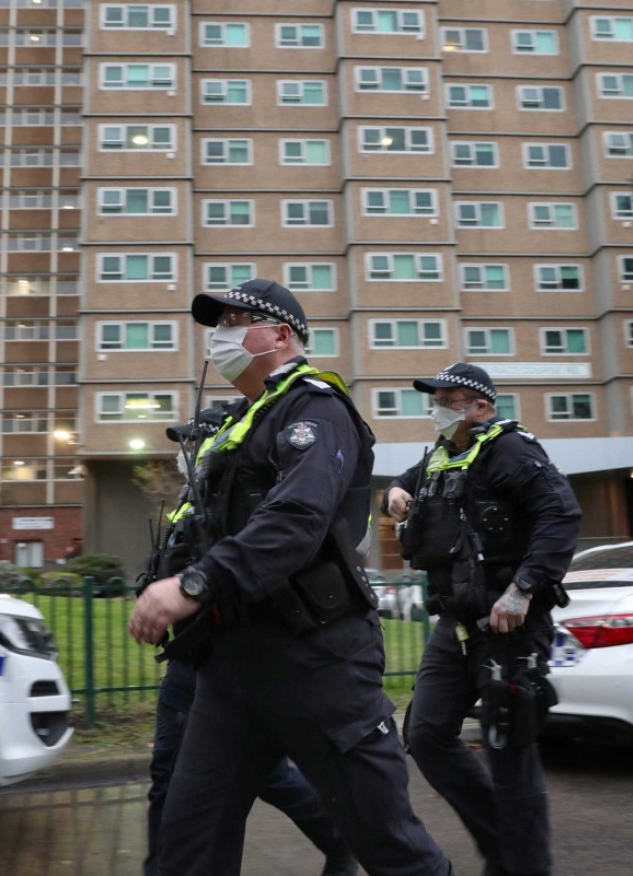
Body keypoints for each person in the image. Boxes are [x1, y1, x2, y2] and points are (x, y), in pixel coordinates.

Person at [129, 278, 453, 876]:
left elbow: (296, 519)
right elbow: (207, 526)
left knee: (391, 848)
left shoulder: (315, 409)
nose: (219, 336)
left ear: (279, 334)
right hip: (230, 669)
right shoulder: (243, 423)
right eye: (217, 323)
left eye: (233, 321)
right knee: (186, 845)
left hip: (317, 661)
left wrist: (194, 585)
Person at [385, 364, 580, 876]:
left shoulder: (511, 451)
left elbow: (560, 516)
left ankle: (525, 864)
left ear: (482, 407)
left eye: (449, 399)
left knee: (510, 757)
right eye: (437, 399)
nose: (439, 408)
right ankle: (502, 843)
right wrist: (393, 495)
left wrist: (522, 589)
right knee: (425, 736)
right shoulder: (439, 458)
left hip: (510, 626)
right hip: (456, 626)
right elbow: (401, 485)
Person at [142, 413, 357, 876]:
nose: (186, 452)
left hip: (228, 660)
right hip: (190, 657)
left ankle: (339, 837)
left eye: (194, 441)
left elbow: (245, 561)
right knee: (170, 774)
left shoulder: (235, 496)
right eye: (183, 443)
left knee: (251, 778)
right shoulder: (190, 498)